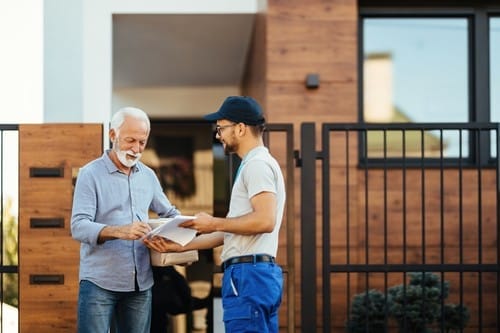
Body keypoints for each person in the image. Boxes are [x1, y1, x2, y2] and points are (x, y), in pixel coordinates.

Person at [144, 96, 286, 333]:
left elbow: (264, 220)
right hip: (254, 275)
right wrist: (180, 247)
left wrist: (211, 222)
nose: (218, 135)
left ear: (240, 128)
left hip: (248, 276)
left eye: (221, 128)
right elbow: (230, 231)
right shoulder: (256, 164)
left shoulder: (257, 165)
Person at [71, 106, 180, 333]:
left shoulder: (149, 176)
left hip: (141, 285)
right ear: (113, 135)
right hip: (99, 283)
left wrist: (186, 233)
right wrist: (119, 231)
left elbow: (169, 214)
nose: (136, 149)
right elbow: (79, 226)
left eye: (142, 142)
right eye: (130, 140)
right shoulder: (90, 174)